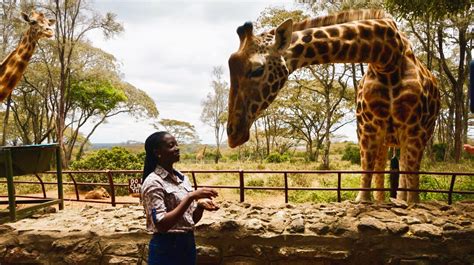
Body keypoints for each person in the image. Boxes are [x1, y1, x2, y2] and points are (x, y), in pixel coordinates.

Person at [141, 131, 219, 265]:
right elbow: (162, 225)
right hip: (166, 248)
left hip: (187, 245)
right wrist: (190, 197)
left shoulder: (182, 179)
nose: (177, 148)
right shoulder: (153, 182)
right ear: (157, 152)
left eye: (176, 144)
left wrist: (200, 206)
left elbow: (190, 220)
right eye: (171, 145)